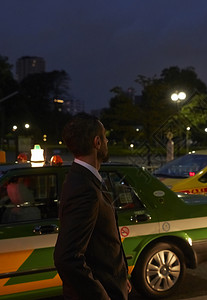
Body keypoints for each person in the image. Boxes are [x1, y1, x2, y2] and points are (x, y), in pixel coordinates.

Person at [53, 113, 131, 299]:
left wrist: (119, 277)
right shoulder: (85, 188)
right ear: (97, 142)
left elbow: (98, 244)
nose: (106, 141)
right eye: (104, 137)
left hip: (111, 283)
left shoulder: (82, 178)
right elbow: (67, 258)